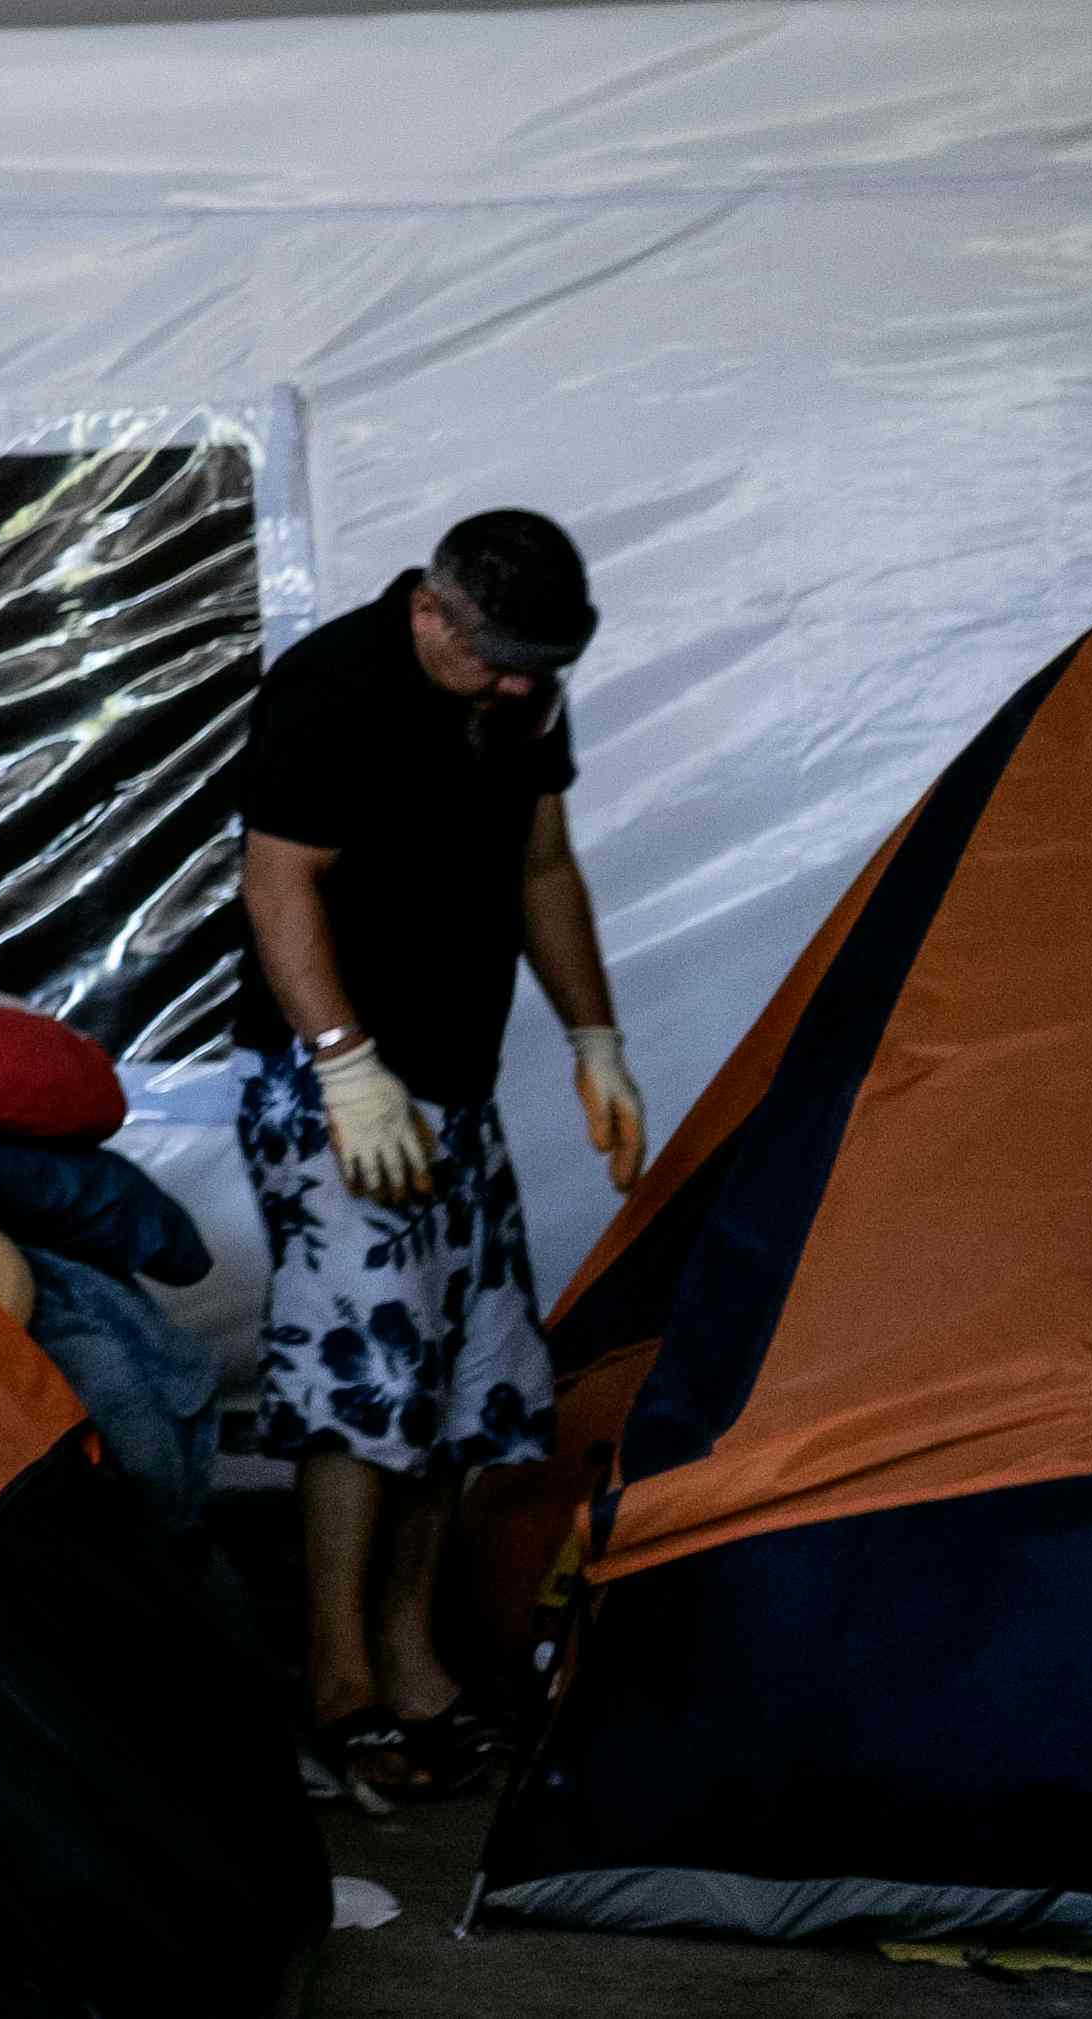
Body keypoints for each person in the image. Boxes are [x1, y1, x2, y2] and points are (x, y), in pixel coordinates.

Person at [231, 507, 651, 1808]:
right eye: (502, 657)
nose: (526, 686)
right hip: (334, 1081)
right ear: (431, 609)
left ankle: (416, 1669)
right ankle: (339, 1691)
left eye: (545, 663)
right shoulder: (333, 689)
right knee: (363, 1378)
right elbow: (279, 884)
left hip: (456, 1093)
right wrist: (348, 1067)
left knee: (461, 1374)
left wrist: (595, 1037)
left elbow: (541, 865)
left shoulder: (521, 690)